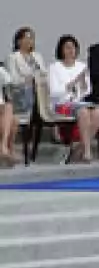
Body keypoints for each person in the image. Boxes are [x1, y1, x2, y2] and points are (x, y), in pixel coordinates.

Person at [48, 35, 99, 164]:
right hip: (60, 105)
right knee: (83, 111)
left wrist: (82, 85)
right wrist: (71, 84)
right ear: (61, 50)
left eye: (73, 47)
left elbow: (87, 90)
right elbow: (54, 92)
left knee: (98, 111)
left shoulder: (81, 66)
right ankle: (87, 151)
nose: (71, 50)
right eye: (67, 47)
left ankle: (79, 147)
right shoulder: (54, 67)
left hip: (79, 101)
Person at [4, 27, 47, 167]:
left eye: (32, 38)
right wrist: (27, 80)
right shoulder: (13, 57)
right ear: (18, 41)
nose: (30, 41)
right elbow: (12, 80)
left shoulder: (37, 57)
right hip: (19, 96)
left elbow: (43, 75)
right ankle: (10, 148)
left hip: (37, 94)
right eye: (27, 37)